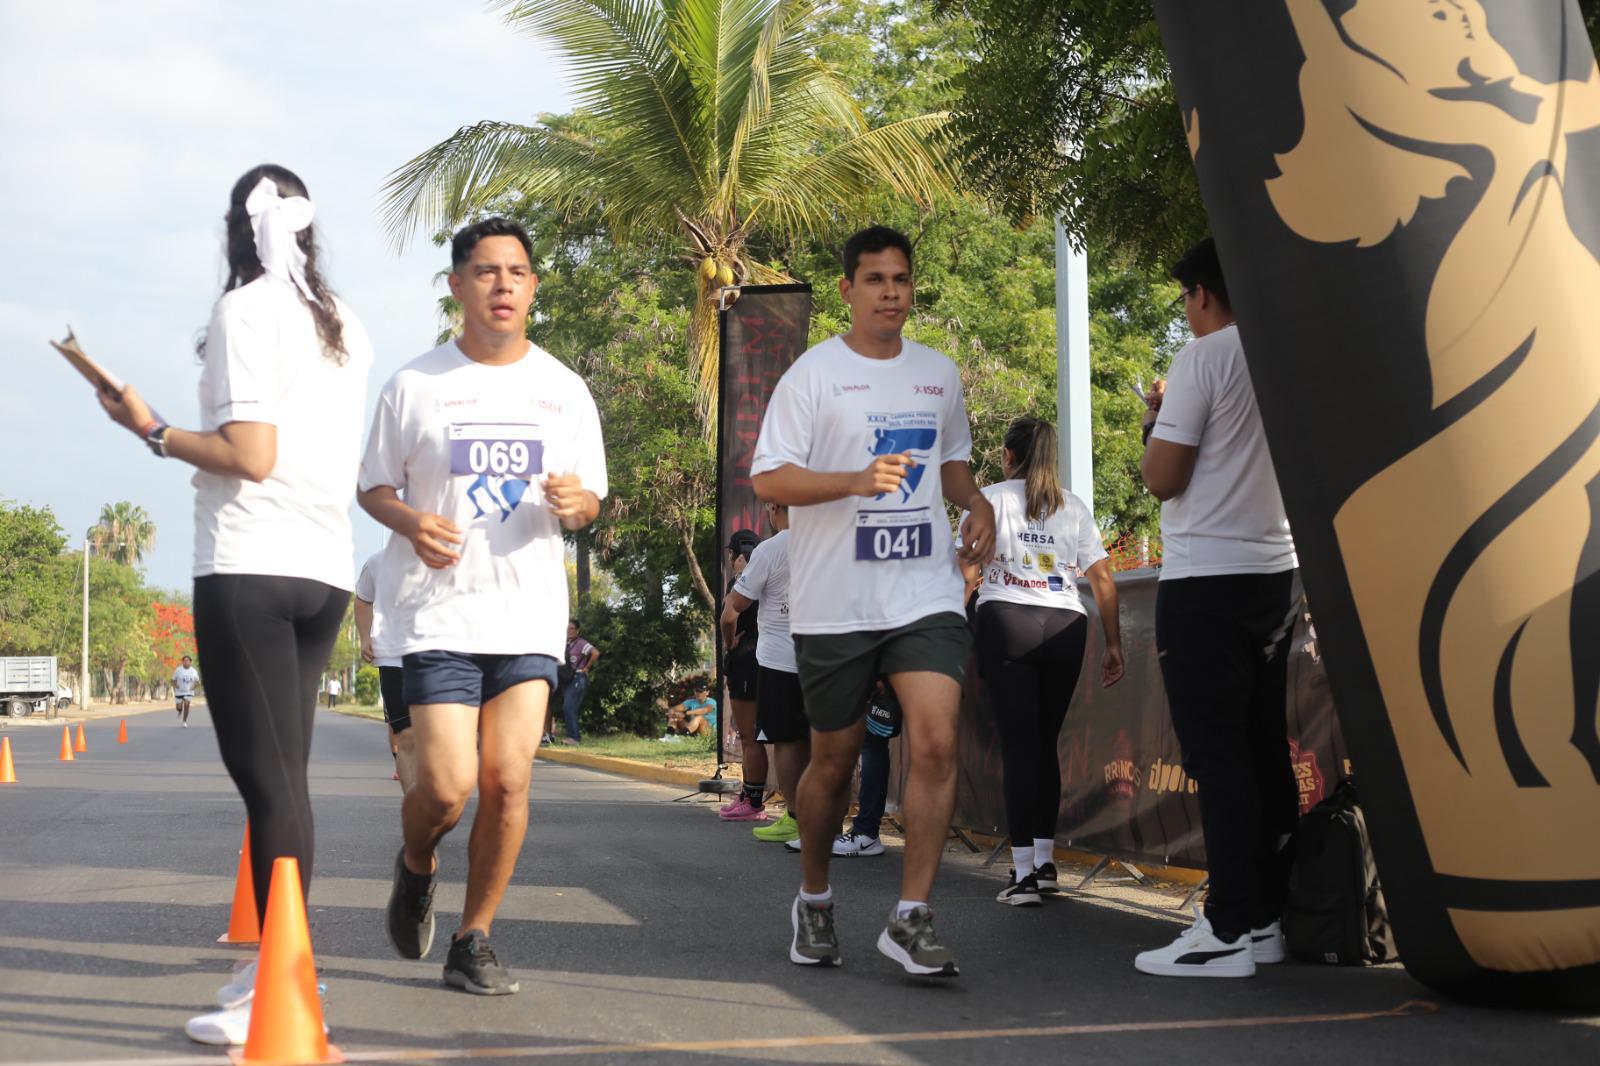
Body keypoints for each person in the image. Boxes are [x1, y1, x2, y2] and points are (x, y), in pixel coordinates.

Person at [91, 164, 373, 1043]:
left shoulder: (244, 311)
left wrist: (147, 426)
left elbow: (250, 454)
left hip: (249, 563)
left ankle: (282, 986)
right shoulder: (345, 326)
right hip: (323, 568)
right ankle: (273, 966)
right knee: (285, 779)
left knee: (268, 782)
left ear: (234, 231)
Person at [358, 216, 606, 996]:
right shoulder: (416, 385)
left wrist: (578, 503)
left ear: (533, 287)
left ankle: (474, 938)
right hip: (437, 616)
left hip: (527, 615)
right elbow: (372, 487)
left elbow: (590, 497)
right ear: (458, 285)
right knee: (445, 788)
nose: (504, 284)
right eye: (488, 271)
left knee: (507, 780)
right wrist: (410, 521)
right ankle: (417, 863)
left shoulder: (563, 390)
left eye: (518, 272)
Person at [751, 225, 995, 977]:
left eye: (901, 279)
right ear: (850, 291)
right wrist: (854, 480)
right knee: (835, 759)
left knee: (935, 743)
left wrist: (977, 503)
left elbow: (950, 467)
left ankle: (911, 916)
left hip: (923, 590)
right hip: (837, 602)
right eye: (876, 280)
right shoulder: (814, 377)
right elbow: (770, 481)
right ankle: (816, 899)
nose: (891, 292)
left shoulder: (938, 374)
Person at [1133, 237, 1298, 978]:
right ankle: (1264, 920)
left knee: (1220, 755)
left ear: (1201, 293)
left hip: (1205, 577)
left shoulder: (1202, 359)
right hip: (1277, 572)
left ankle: (1226, 929)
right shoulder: (1285, 356)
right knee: (1263, 748)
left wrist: (1155, 426)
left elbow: (1163, 477)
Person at [961, 418, 1124, 907]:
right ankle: (1046, 864)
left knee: (1018, 748)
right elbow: (1105, 580)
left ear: (1008, 456)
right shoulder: (1071, 505)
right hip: (1065, 625)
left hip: (1006, 618)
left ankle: (1024, 874)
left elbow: (967, 571)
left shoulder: (987, 498)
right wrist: (1114, 645)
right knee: (1044, 745)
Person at [722, 503, 805, 839]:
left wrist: (730, 644)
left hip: (777, 660)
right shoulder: (828, 543)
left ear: (773, 508)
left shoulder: (770, 550)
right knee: (817, 743)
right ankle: (821, 820)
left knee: (783, 742)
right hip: (823, 657)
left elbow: (731, 612)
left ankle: (795, 817)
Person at [719, 529, 769, 820]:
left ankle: (752, 801)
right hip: (771, 660)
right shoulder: (771, 575)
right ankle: (751, 797)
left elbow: (729, 617)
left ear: (735, 555)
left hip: (747, 661)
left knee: (750, 737)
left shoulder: (743, 582)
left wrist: (730, 642)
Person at [354, 551, 414, 791]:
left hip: (440, 657)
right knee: (407, 738)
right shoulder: (377, 562)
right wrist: (364, 638)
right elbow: (363, 600)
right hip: (392, 658)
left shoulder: (452, 555)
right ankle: (416, 812)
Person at [558, 621, 599, 746]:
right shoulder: (566, 644)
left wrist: (587, 668)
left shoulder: (581, 643)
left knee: (568, 705)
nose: (569, 631)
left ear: (577, 630)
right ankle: (572, 736)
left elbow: (595, 653)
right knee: (571, 707)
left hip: (579, 677)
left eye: (572, 628)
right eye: (567, 628)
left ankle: (574, 738)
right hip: (568, 679)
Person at [173, 655, 200, 727]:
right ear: (182, 662)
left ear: (190, 662)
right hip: (179, 691)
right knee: (178, 707)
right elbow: (173, 680)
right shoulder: (178, 670)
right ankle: (180, 710)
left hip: (189, 691)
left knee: (187, 705)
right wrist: (176, 685)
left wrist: (193, 687)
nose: (186, 662)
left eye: (187, 660)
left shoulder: (194, 671)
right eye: (184, 661)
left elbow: (197, 681)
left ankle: (184, 721)